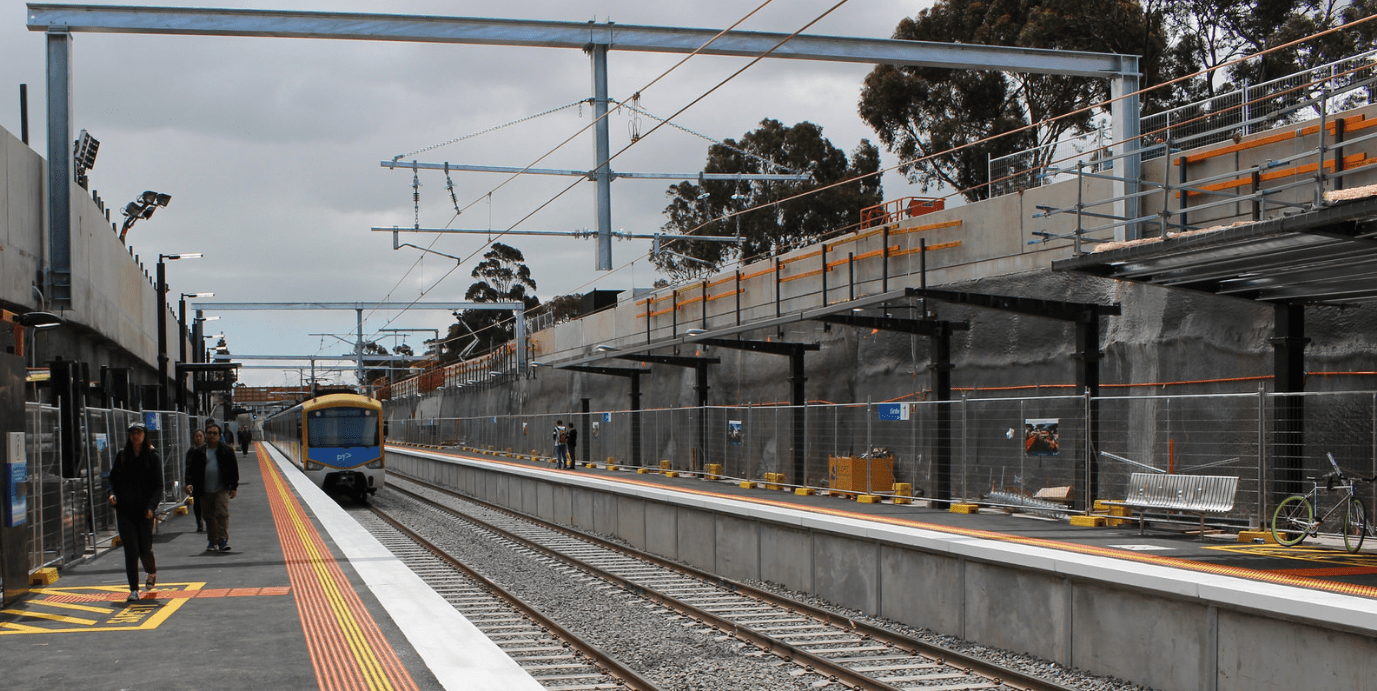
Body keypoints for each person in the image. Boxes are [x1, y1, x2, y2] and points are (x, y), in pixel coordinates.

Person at [107, 421, 163, 603]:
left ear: (144, 435)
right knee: (130, 550)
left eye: (139, 433)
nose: (135, 437)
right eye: (132, 433)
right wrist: (112, 493)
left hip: (144, 511)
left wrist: (151, 507)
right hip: (125, 510)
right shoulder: (122, 456)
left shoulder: (153, 457)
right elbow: (112, 479)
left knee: (144, 549)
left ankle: (151, 571)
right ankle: (133, 589)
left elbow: (158, 486)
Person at [185, 423, 240, 552]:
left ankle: (222, 540)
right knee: (208, 516)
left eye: (214, 433)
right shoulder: (198, 452)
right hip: (203, 489)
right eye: (209, 433)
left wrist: (234, 487)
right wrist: (188, 483)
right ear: (206, 435)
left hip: (222, 488)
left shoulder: (226, 450)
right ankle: (212, 541)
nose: (212, 435)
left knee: (221, 513)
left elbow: (233, 469)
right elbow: (190, 469)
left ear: (219, 435)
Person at [186, 428, 206, 532]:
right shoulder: (191, 451)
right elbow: (188, 467)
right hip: (196, 481)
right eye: (196, 436)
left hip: (207, 481)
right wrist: (188, 483)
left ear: (204, 437)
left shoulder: (208, 449)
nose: (198, 438)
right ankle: (199, 522)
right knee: (197, 503)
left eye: (200, 436)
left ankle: (208, 521)